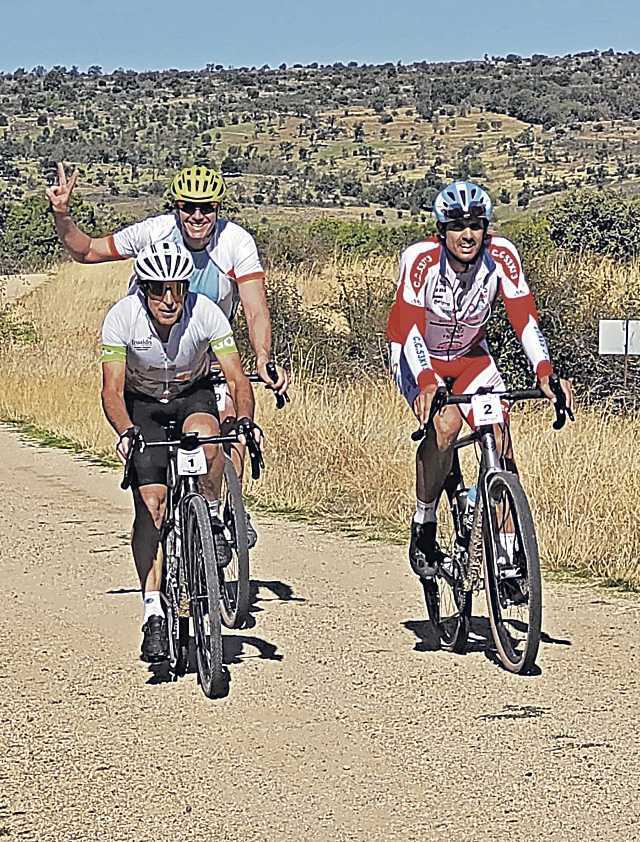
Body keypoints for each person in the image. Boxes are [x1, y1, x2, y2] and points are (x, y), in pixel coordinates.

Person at [47, 162, 286, 546]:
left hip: (206, 357)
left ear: (218, 209)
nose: (196, 216)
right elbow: (87, 251)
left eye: (206, 207)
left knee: (232, 430)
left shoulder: (237, 243)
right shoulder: (154, 233)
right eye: (187, 206)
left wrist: (263, 356)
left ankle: (221, 512)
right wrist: (62, 215)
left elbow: (256, 308)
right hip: (148, 360)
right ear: (175, 207)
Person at [386, 180, 573, 580]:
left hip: (471, 357)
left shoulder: (502, 256)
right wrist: (426, 379)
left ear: (487, 227)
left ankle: (507, 556)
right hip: (417, 354)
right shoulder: (420, 260)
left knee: (499, 435)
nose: (467, 234)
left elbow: (524, 318)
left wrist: (545, 371)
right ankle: (425, 522)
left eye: (476, 225)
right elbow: (410, 327)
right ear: (441, 230)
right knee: (446, 426)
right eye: (457, 225)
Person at [100, 241, 259, 663]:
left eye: (177, 289)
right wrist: (126, 430)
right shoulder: (122, 318)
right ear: (143, 288)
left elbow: (237, 379)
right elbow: (112, 391)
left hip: (192, 396)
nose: (169, 300)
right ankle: (153, 609)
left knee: (209, 440)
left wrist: (243, 419)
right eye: (158, 290)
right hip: (144, 407)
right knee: (151, 506)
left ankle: (208, 515)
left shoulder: (206, 313)